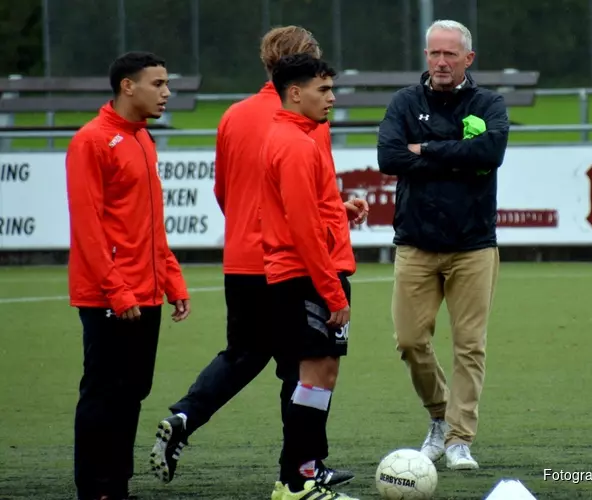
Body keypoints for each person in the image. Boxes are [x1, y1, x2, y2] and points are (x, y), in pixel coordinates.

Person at [149, 26, 366, 491]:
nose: (327, 90)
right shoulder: (305, 120)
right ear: (301, 72)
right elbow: (307, 202)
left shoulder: (235, 115)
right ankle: (302, 471)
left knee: (242, 355)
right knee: (306, 367)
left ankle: (187, 416)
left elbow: (223, 191)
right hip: (295, 263)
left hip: (243, 259)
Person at [376, 20, 509, 471]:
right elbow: (389, 157)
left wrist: (425, 150)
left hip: (473, 246)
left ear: (468, 59)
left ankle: (458, 439)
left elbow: (489, 155)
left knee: (469, 346)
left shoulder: (488, 103)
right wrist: (452, 154)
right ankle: (439, 415)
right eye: (435, 53)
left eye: (450, 54)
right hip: (415, 243)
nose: (441, 62)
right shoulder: (405, 102)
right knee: (410, 341)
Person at [65, 51, 191, 500]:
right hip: (108, 297)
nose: (166, 92)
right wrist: (117, 290)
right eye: (158, 83)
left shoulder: (142, 139)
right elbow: (89, 227)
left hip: (146, 292)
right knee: (103, 393)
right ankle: (94, 488)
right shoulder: (91, 141)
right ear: (127, 87)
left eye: (166, 83)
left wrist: (171, 279)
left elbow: (150, 224)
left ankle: (116, 485)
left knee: (133, 391)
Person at [261, 53, 358, 500]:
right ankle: (298, 480)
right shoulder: (296, 143)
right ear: (294, 92)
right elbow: (301, 227)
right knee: (315, 376)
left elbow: (308, 213)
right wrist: (332, 290)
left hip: (307, 274)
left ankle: (303, 472)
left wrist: (339, 211)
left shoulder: (298, 136)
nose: (332, 98)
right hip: (307, 277)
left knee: (321, 374)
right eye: (323, 90)